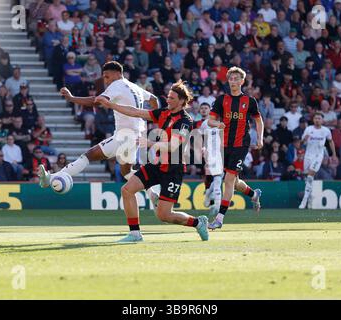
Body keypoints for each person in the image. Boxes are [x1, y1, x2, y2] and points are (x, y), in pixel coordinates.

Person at [96, 80, 209, 243]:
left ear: (182, 101)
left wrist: (149, 143)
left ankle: (198, 222)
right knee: (127, 190)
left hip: (173, 169)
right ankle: (135, 234)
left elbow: (173, 146)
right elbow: (135, 112)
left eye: (172, 98)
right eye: (168, 97)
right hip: (156, 164)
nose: (168, 100)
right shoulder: (163, 113)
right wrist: (110, 104)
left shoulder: (185, 121)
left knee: (164, 215)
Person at [38, 61, 160, 205]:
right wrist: (154, 119)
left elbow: (96, 102)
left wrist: (72, 98)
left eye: (107, 77)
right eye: (104, 78)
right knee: (127, 172)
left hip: (123, 136)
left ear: (117, 74)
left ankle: (50, 178)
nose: (106, 81)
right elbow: (154, 100)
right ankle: (152, 193)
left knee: (88, 156)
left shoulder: (117, 85)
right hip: (136, 137)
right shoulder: (135, 87)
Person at [207, 67, 264, 230]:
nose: (233, 81)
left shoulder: (249, 101)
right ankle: (254, 194)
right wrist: (218, 123)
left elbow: (258, 121)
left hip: (241, 144)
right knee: (235, 181)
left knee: (228, 180)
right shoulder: (221, 100)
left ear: (242, 81)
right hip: (224, 145)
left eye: (236, 78)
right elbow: (211, 121)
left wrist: (259, 138)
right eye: (230, 79)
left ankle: (219, 218)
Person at [299, 113, 337, 209]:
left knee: (310, 175)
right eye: (315, 118)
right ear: (313, 120)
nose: (317, 120)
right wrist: (304, 140)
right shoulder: (308, 129)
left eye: (319, 118)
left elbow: (330, 141)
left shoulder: (326, 130)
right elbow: (301, 143)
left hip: (318, 156)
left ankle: (304, 200)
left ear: (322, 120)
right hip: (308, 156)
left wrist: (334, 154)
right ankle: (310, 194)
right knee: (307, 177)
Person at [193, 103, 223, 216]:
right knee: (217, 178)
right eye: (202, 108)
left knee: (218, 178)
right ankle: (217, 205)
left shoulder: (222, 123)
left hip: (222, 154)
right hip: (210, 154)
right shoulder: (204, 124)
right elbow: (199, 138)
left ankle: (208, 194)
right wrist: (202, 149)